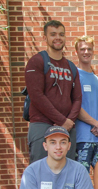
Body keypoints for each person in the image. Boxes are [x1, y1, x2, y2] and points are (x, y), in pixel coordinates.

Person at [25, 20, 81, 163]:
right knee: (40, 173)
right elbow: (36, 96)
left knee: (67, 176)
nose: (58, 38)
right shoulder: (36, 61)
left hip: (67, 128)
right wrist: (62, 120)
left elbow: (77, 99)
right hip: (42, 125)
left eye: (61, 34)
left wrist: (68, 122)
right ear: (45, 37)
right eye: (53, 34)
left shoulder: (71, 67)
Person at [74, 35, 98, 172]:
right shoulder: (75, 75)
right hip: (83, 139)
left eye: (89, 49)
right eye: (82, 49)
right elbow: (75, 106)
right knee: (81, 179)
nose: (86, 52)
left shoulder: (95, 77)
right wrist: (96, 124)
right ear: (76, 52)